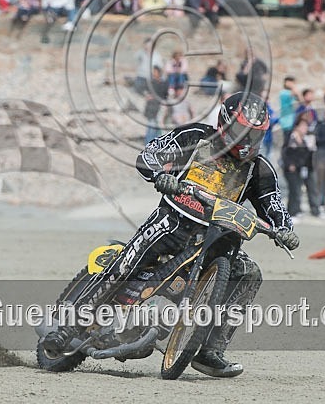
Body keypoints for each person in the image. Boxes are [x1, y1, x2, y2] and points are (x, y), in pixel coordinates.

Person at [42, 91, 299, 378]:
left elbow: (273, 204)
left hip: (220, 238)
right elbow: (152, 153)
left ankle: (210, 351)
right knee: (128, 260)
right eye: (242, 132)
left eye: (254, 135)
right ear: (225, 124)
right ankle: (68, 328)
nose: (247, 141)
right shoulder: (195, 136)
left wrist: (284, 229)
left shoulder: (259, 169)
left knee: (250, 273)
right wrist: (159, 174)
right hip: (174, 221)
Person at [282, 117, 318, 217]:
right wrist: (289, 164)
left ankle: (315, 210)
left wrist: (304, 141)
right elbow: (285, 153)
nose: (304, 128)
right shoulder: (291, 137)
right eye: (302, 126)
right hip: (292, 168)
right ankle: (292, 212)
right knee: (295, 190)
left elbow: (310, 152)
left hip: (306, 167)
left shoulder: (309, 137)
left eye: (306, 126)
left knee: (311, 188)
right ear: (296, 127)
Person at [144, 65, 169, 143]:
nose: (153, 73)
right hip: (151, 108)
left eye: (155, 72)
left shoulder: (163, 83)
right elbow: (147, 95)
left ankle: (156, 144)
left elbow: (164, 96)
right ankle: (149, 144)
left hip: (160, 108)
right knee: (151, 126)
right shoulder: (151, 83)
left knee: (158, 128)